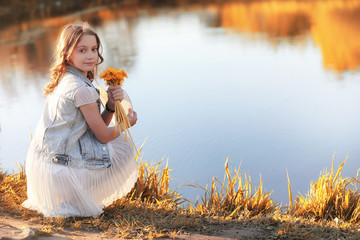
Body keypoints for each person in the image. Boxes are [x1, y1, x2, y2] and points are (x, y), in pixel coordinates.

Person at [22, 22, 138, 217]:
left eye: (94, 49)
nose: (91, 55)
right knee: (121, 146)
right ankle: (76, 198)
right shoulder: (81, 89)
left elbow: (96, 127)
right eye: (82, 50)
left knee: (112, 143)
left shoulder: (66, 77)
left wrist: (110, 105)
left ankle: (75, 193)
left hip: (42, 166)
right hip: (57, 172)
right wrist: (126, 123)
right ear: (67, 53)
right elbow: (102, 135)